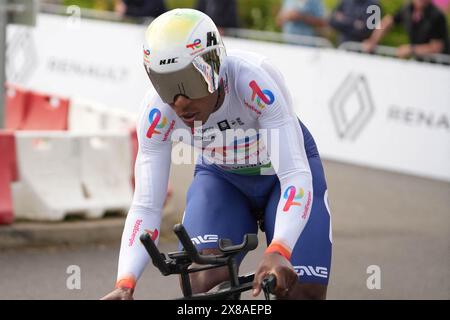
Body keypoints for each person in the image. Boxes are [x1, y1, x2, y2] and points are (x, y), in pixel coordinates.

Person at [102, 8, 332, 300]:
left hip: (282, 174)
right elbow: (146, 206)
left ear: (215, 65)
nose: (180, 102)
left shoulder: (253, 80)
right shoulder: (156, 113)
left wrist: (280, 248)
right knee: (202, 286)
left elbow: (294, 175)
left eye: (189, 81)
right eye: (165, 85)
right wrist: (125, 283)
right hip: (223, 178)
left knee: (302, 291)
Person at [363, 0, 449, 58]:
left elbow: (437, 47)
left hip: (439, 66)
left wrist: (412, 49)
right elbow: (387, 22)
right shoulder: (407, 9)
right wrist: (373, 40)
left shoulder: (437, 16)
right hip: (420, 62)